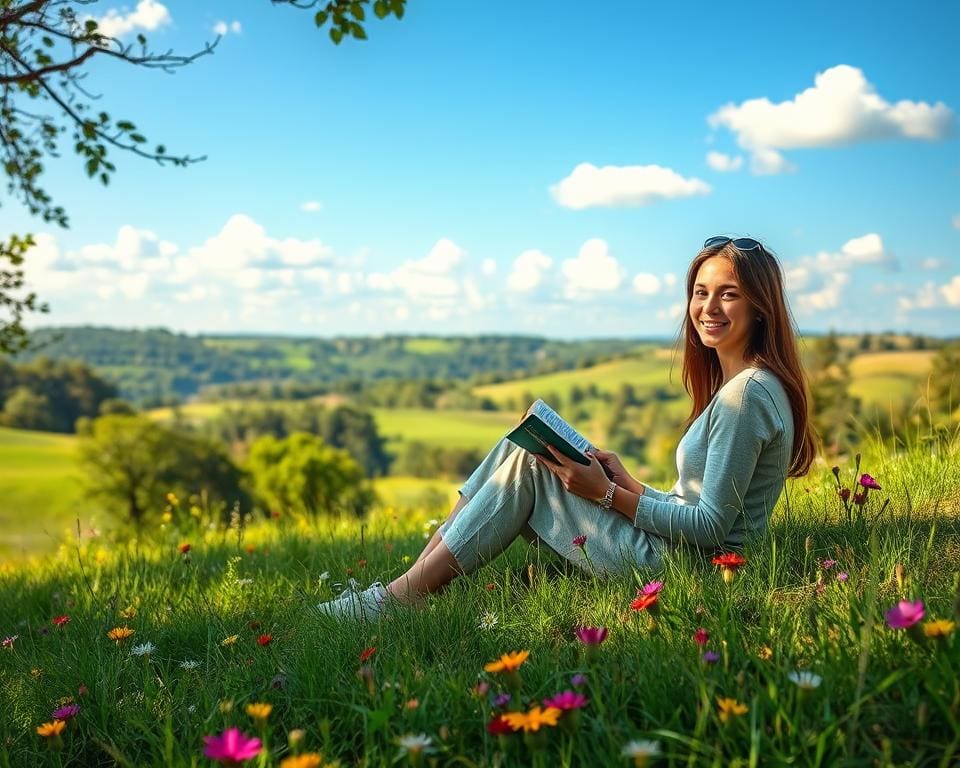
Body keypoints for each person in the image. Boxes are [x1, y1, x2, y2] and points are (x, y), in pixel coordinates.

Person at [318, 236, 817, 620]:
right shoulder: (744, 386)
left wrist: (606, 496)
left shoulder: (745, 396)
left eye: (727, 295)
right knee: (524, 444)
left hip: (688, 574)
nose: (708, 308)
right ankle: (403, 590)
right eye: (701, 292)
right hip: (680, 555)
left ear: (759, 306)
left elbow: (711, 530)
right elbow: (700, 506)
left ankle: (395, 599)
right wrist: (629, 483)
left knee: (529, 464)